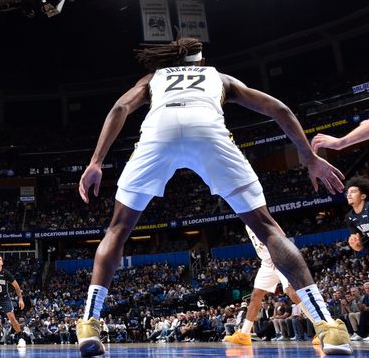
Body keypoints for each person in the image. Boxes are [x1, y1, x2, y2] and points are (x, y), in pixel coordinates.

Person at [76, 37, 351, 357]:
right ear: (200, 62)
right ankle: (327, 325)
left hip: (158, 131)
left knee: (117, 229)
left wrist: (96, 162)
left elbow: (120, 107)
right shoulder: (219, 78)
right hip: (208, 130)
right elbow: (280, 108)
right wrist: (308, 157)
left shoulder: (153, 79)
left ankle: (89, 323)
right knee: (268, 228)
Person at [224, 225, 316, 346]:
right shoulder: (247, 224)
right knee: (256, 295)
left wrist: (277, 255)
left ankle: (321, 329)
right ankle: (244, 335)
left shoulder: (259, 214)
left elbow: (281, 235)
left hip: (280, 257)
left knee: (292, 292)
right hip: (267, 263)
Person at [341, 178, 369, 252]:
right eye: (348, 193)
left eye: (353, 192)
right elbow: (359, 247)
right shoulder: (349, 217)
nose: (349, 195)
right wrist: (355, 244)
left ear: (363, 196)